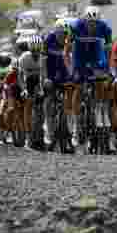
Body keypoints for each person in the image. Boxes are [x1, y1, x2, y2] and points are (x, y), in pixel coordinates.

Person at [69, 6, 114, 140]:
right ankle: (76, 123)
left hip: (95, 55)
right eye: (90, 23)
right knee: (78, 87)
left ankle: (100, 109)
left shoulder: (105, 28)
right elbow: (69, 47)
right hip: (79, 56)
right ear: (85, 21)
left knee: (100, 82)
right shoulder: (76, 27)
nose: (92, 26)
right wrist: (72, 68)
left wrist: (107, 68)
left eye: (95, 23)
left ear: (99, 22)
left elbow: (108, 51)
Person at [43, 17, 74, 146]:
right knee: (49, 102)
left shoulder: (70, 42)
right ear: (55, 32)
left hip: (65, 76)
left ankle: (71, 131)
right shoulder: (48, 40)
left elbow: (74, 61)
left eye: (65, 34)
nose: (63, 36)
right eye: (60, 34)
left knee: (71, 100)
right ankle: (49, 131)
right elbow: (43, 61)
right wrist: (45, 77)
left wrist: (74, 77)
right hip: (50, 75)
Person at [15, 35, 46, 148]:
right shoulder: (24, 58)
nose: (36, 53)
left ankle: (40, 133)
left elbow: (43, 76)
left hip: (37, 82)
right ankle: (28, 136)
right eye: (33, 51)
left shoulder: (42, 59)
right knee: (28, 105)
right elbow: (20, 76)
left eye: (38, 51)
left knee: (41, 109)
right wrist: (24, 90)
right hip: (27, 81)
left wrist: (41, 89)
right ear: (30, 49)